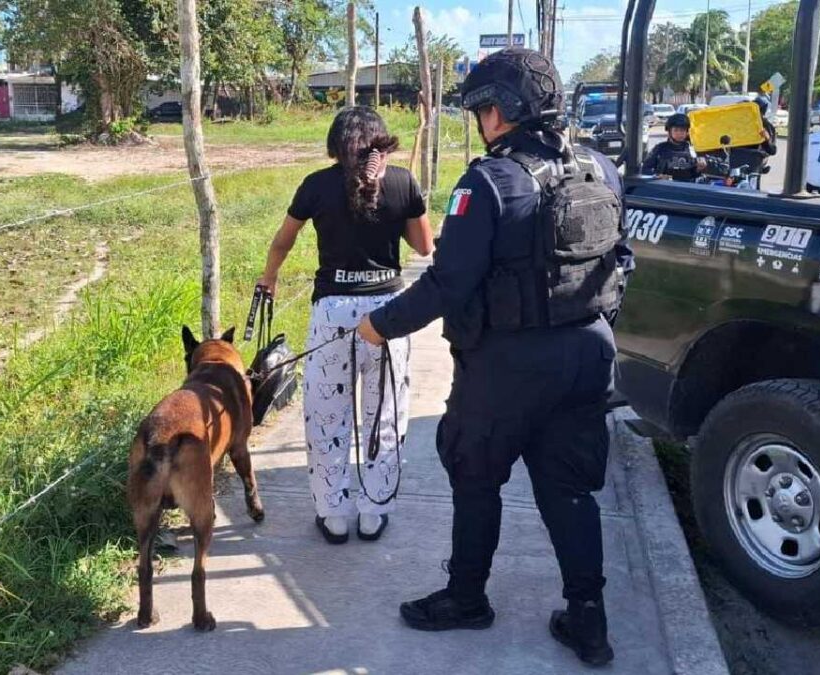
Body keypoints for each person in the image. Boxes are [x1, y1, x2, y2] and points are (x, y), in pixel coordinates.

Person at [357, 47, 633, 667]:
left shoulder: (487, 181)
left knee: (475, 477)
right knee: (569, 490)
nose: (480, 121)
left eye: (483, 108)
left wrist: (381, 325)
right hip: (588, 355)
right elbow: (621, 262)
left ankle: (466, 598)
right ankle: (588, 619)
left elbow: (447, 283)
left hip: (506, 368)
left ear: (503, 110)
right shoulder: (599, 169)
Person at [257, 106, 434, 544]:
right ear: (381, 142)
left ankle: (333, 514)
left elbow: (284, 239)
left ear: (336, 146)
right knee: (385, 414)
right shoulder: (401, 182)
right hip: (388, 314)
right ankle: (374, 511)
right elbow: (424, 246)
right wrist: (408, 198)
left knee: (326, 416)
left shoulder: (316, 185)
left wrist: (270, 276)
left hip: (333, 315)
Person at [642, 112, 709, 181]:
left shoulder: (692, 149)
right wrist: (657, 176)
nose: (679, 133)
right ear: (669, 132)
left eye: (682, 130)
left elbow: (695, 175)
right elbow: (645, 170)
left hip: (687, 188)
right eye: (676, 130)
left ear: (687, 132)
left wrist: (699, 168)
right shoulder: (660, 148)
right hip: (664, 188)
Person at [726, 94, 778, 175]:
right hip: (733, 162)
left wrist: (766, 139)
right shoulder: (737, 124)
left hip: (753, 164)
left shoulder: (766, 126)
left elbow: (772, 150)